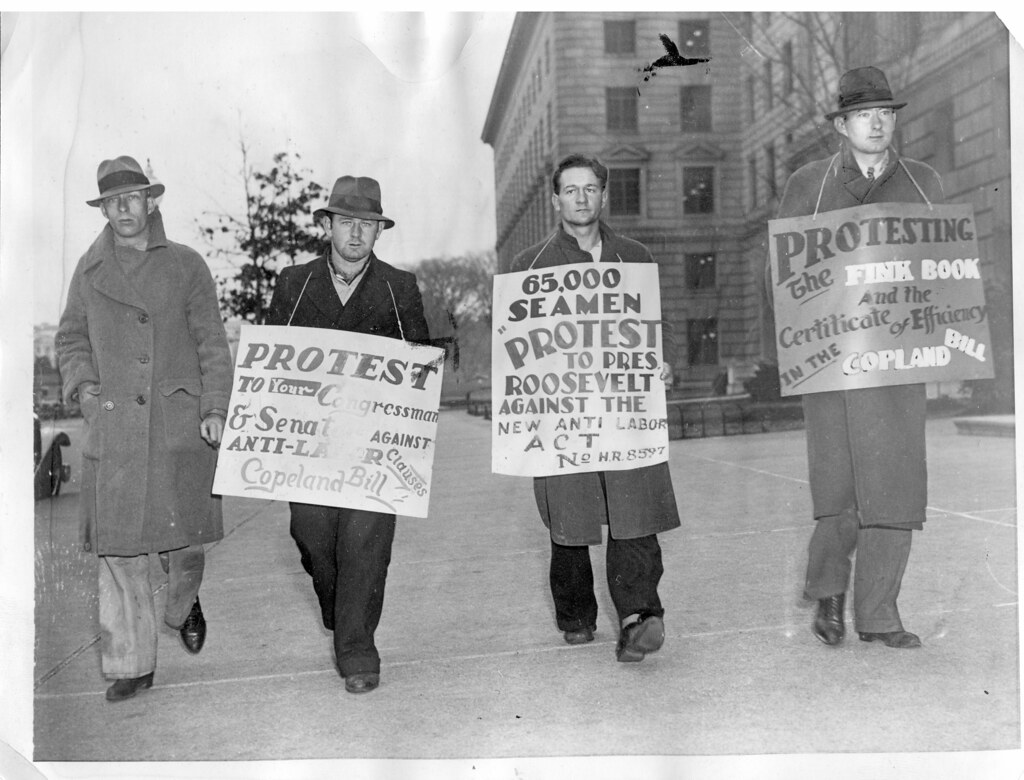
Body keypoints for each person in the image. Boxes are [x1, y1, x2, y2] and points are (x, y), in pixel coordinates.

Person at [774, 67, 944, 650]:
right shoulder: (809, 184)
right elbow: (779, 271)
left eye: (887, 113)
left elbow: (943, 274)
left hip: (898, 367)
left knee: (895, 490)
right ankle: (829, 590)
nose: (878, 123)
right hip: (832, 364)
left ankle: (879, 616)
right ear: (842, 125)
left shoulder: (923, 182)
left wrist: (941, 344)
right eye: (864, 115)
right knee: (839, 490)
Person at [56, 155, 233, 701]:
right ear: (104, 208)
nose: (124, 208)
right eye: (113, 201)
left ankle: (183, 604)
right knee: (119, 552)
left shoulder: (186, 265)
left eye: (132, 197)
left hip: (176, 426)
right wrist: (85, 388)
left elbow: (211, 343)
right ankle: (132, 663)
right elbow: (69, 339)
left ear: (151, 200)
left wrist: (215, 407)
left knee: (184, 546)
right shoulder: (88, 273)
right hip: (115, 432)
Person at [506, 153, 681, 663]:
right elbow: (514, 345)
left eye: (591, 189)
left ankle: (638, 618)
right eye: (570, 190)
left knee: (634, 511)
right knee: (571, 518)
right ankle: (576, 615)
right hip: (565, 414)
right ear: (555, 199)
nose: (581, 198)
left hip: (626, 410)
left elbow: (657, 327)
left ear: (604, 196)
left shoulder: (635, 257)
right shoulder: (529, 266)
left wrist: (662, 361)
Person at [266, 175, 430, 694]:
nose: (357, 234)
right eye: (346, 223)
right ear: (327, 226)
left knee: (366, 541)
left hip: (373, 448)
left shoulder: (398, 288)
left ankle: (358, 650)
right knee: (313, 537)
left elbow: (418, 366)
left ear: (379, 232)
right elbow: (270, 362)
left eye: (368, 225)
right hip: (309, 446)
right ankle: (341, 608)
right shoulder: (293, 285)